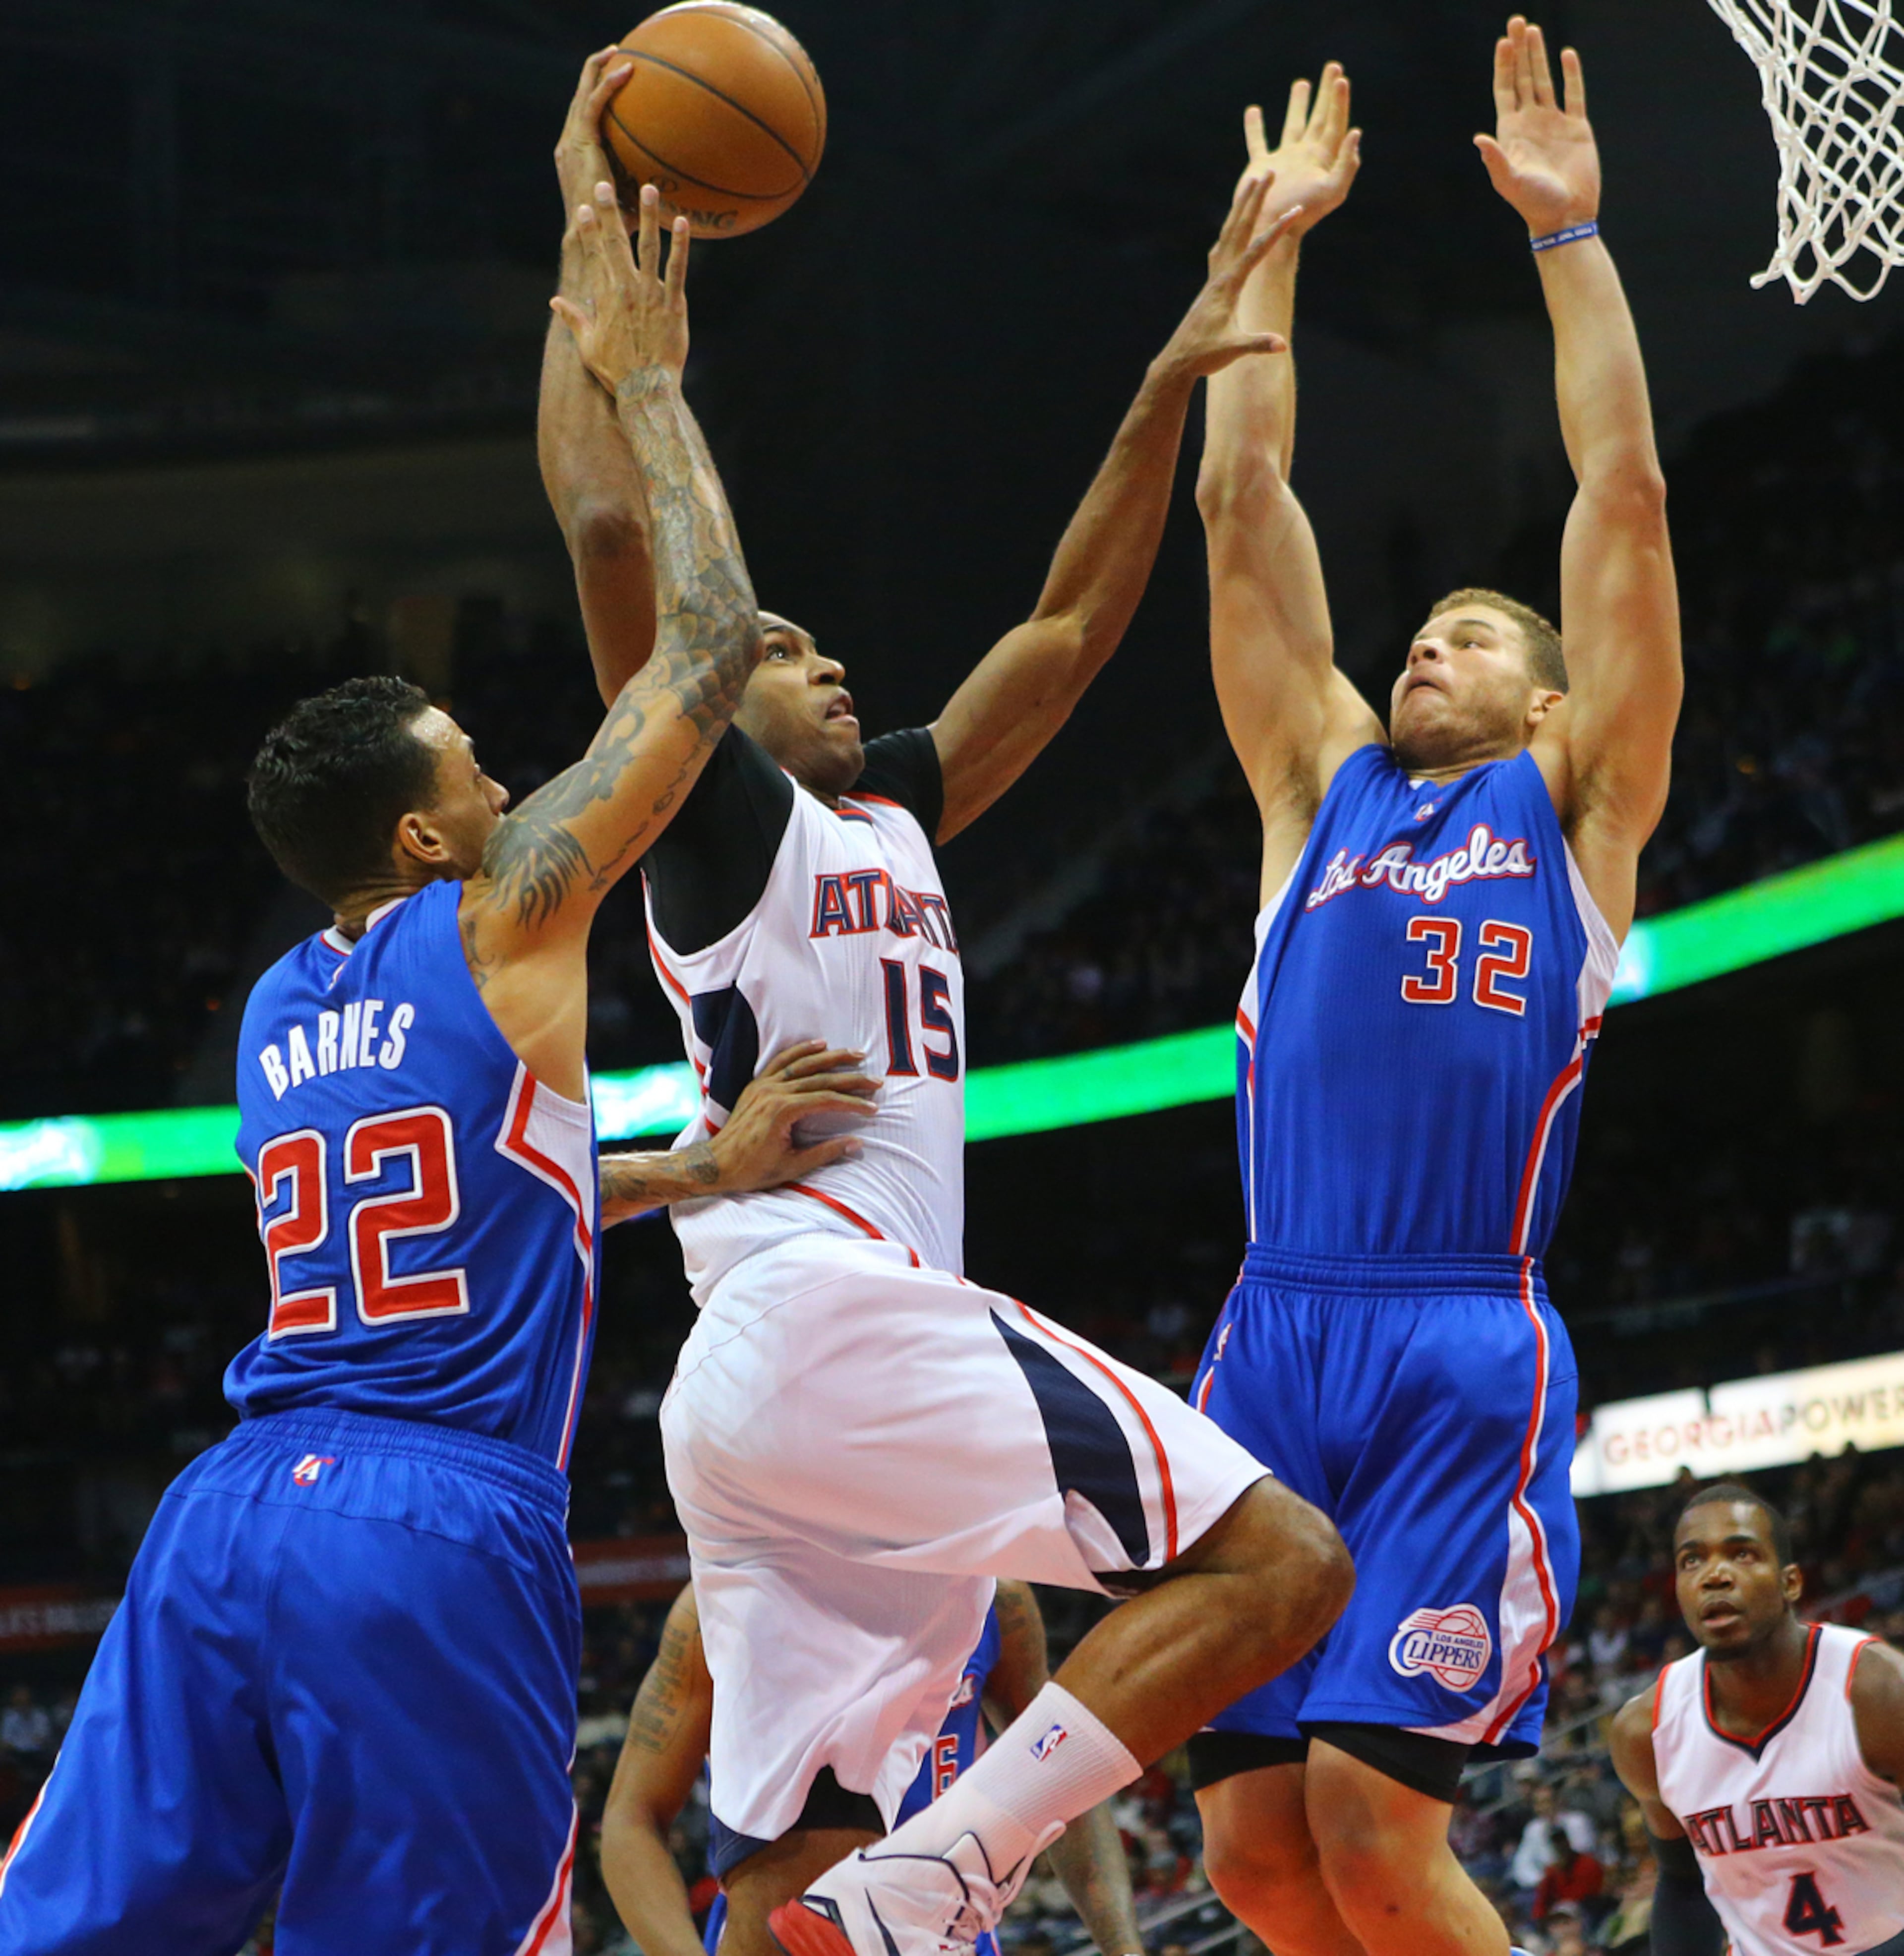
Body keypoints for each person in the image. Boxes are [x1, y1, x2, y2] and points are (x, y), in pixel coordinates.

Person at [537, 49, 1354, 1956]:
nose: (828, 667)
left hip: (775, 1400)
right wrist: (597, 277)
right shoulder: (712, 815)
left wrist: (1178, 361)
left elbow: (1067, 630)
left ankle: (883, 1898)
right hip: (826, 1318)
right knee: (1280, 1561)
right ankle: (950, 1879)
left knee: (791, 1872)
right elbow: (611, 551)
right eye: (791, 652)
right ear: (710, 706)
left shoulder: (882, 804)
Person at [0, 178, 838, 1955]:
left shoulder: (271, 1007)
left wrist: (693, 1169)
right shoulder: (506, 915)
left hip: (224, 1517)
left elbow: (481, 1192)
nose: (502, 774)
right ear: (423, 831)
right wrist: (653, 379)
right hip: (428, 1515)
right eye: (472, 768)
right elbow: (710, 639)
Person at [1186, 19, 1681, 1956]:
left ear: (1549, 700)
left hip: (1461, 1346)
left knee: (1372, 1828)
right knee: (1250, 1858)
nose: (1425, 645)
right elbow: (1242, 506)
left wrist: (1570, 241)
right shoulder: (1315, 788)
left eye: (1469, 633)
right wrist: (1269, 246)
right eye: (1416, 629)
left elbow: (1624, 491)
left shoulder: (1577, 809)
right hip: (1271, 1333)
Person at [599, 1581, 1143, 1956]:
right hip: (773, 1937)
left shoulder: (991, 1597)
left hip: (943, 1932)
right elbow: (633, 1817)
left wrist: (1122, 1946)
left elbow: (1063, 1773)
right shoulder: (721, 1610)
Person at [1609, 1483, 1904, 1956]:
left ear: (1790, 1582)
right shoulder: (1645, 1731)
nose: (1715, 1575)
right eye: (1692, 1560)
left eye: (1742, 1554)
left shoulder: (1880, 1691)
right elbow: (1684, 1885)